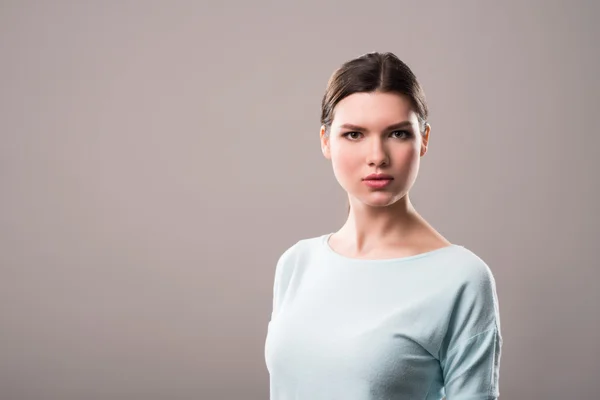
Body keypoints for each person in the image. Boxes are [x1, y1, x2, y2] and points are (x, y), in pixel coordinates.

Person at [264, 52, 502, 400]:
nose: (377, 156)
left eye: (397, 133)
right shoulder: (296, 264)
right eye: (355, 134)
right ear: (326, 140)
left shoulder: (461, 279)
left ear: (424, 139)